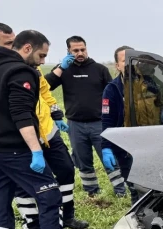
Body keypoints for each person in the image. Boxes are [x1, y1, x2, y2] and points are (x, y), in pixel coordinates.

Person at [0, 24, 88, 229]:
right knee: (24, 185)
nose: (12, 48)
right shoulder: (8, 71)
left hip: (47, 131)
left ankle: (67, 215)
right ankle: (33, 227)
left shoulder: (31, 70)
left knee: (66, 169)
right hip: (20, 138)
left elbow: (45, 92)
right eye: (8, 44)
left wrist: (56, 115)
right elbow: (18, 112)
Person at [44, 36, 123, 198]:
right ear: (68, 51)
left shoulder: (100, 69)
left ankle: (120, 190)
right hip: (75, 124)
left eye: (82, 49)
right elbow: (45, 87)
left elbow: (113, 94)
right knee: (83, 161)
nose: (80, 53)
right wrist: (60, 68)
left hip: (99, 123)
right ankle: (91, 192)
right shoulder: (64, 70)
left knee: (109, 158)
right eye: (75, 50)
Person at [101, 46, 163, 206]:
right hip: (126, 148)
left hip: (152, 143)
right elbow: (107, 120)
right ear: (117, 66)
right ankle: (138, 215)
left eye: (132, 60)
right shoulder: (112, 89)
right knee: (136, 188)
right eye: (124, 61)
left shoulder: (151, 84)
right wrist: (106, 147)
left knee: (156, 186)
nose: (129, 64)